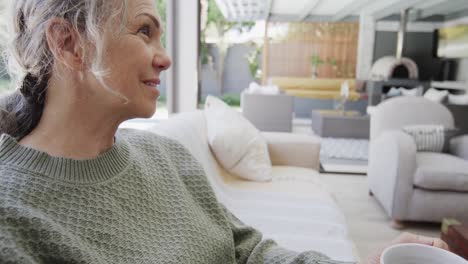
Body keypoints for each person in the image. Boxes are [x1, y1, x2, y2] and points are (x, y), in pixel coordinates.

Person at [0, 0, 449, 263]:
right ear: (69, 44)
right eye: (144, 31)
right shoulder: (13, 218)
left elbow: (249, 251)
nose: (165, 57)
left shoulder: (166, 157)